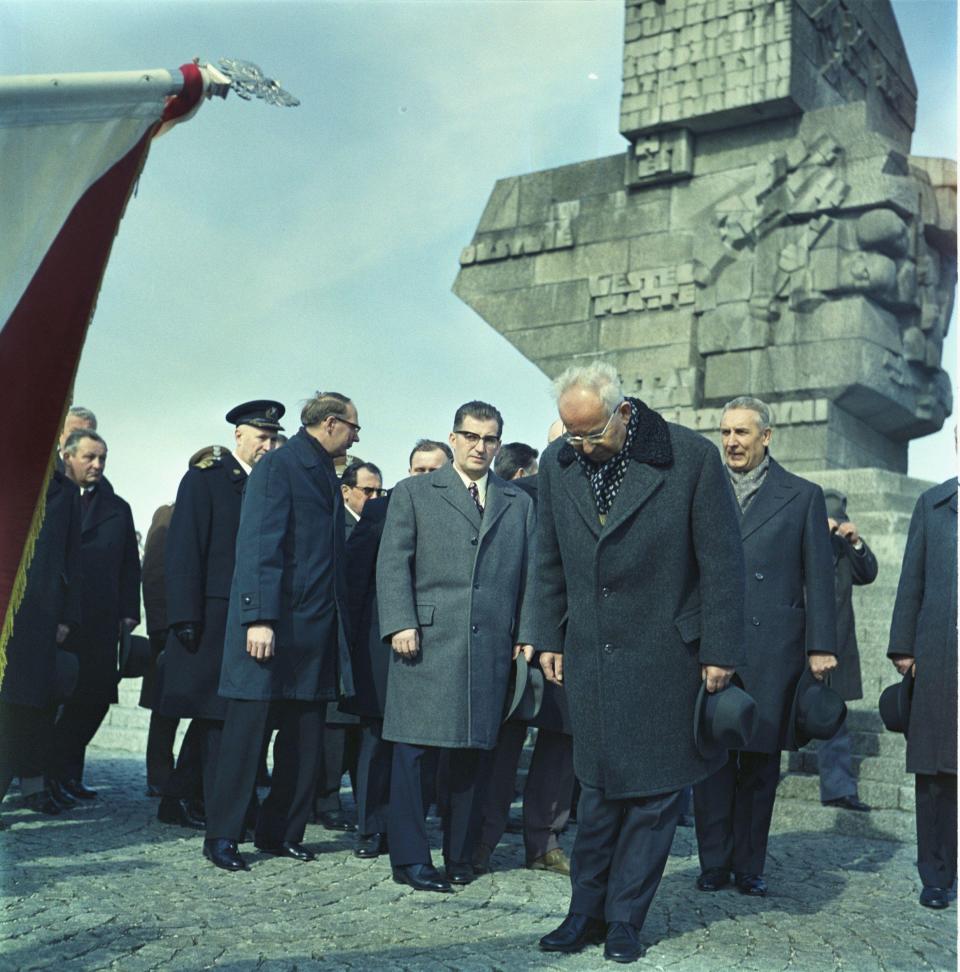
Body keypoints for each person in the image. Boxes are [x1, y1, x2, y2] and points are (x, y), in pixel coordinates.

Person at [534, 362, 745, 963]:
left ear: (624, 412)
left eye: (592, 433)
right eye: (571, 435)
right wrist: (546, 635)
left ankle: (625, 919)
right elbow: (546, 556)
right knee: (597, 793)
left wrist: (720, 652)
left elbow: (723, 565)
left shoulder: (692, 458)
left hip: (665, 657)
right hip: (590, 656)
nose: (581, 446)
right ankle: (583, 913)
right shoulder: (560, 463)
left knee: (653, 800)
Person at [377, 402, 536, 893]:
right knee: (413, 753)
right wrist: (400, 622)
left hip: (489, 646)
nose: (480, 446)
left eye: (489, 439)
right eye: (471, 436)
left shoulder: (518, 502)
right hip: (423, 642)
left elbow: (534, 575)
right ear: (454, 438)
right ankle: (410, 858)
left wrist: (527, 634)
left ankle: (461, 855)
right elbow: (392, 563)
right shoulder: (414, 493)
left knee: (473, 753)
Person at [202, 392, 357, 872]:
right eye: (354, 427)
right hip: (272, 629)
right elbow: (259, 546)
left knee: (303, 738)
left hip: (310, 632)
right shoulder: (280, 467)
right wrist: (258, 618)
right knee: (246, 737)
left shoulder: (319, 471)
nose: (354, 436)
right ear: (331, 424)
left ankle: (279, 832)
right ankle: (222, 836)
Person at [694, 397, 836, 898]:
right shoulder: (702, 488)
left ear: (766, 437)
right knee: (710, 760)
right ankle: (713, 862)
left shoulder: (802, 495)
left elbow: (820, 577)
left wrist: (821, 646)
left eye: (742, 433)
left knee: (758, 764)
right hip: (712, 644)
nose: (731, 442)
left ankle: (749, 864)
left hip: (773, 650)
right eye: (725, 432)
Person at [158, 402, 285, 831]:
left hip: (244, 619)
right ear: (239, 437)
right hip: (210, 618)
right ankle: (208, 804)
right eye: (260, 438)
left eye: (273, 439)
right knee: (214, 715)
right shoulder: (206, 480)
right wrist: (183, 616)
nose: (267, 446)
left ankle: (185, 797)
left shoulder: (268, 485)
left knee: (224, 715)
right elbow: (184, 551)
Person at [342, 440, 452, 859]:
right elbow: (355, 580)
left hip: (435, 647)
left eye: (432, 470)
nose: (423, 478)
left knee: (424, 743)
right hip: (381, 646)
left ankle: (409, 826)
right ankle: (370, 829)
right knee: (376, 741)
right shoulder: (380, 510)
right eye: (417, 470)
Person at [473, 439, 575, 877]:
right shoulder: (521, 493)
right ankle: (479, 842)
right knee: (500, 748)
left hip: (574, 644)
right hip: (518, 641)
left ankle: (544, 842)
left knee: (561, 746)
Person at [50, 430, 141, 800]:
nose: (97, 465)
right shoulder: (52, 500)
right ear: (67, 456)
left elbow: (129, 566)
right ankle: (44, 778)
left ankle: (69, 773)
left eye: (102, 458)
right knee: (55, 702)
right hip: (58, 622)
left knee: (96, 699)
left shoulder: (117, 508)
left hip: (101, 623)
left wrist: (129, 613)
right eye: (89, 457)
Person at [888, 475, 957, 910]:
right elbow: (911, 577)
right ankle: (935, 875)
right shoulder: (934, 505)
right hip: (940, 656)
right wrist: (904, 646)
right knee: (934, 773)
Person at [0, 463, 83, 820]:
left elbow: (72, 555)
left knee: (22, 709)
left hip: (41, 616)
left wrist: (66, 616)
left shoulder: (65, 491)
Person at [314, 460, 386, 832]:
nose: (374, 498)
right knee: (334, 728)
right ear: (346, 491)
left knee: (357, 728)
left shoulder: (374, 524)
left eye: (379, 492)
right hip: (336, 637)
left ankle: (356, 804)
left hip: (364, 640)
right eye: (367, 491)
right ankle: (325, 800)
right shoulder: (336, 524)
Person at [818, 489, 878, 812]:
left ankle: (839, 788)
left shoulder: (844, 549)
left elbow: (868, 573)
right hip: (797, 644)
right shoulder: (803, 539)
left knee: (834, 717)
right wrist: (817, 535)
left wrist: (855, 542)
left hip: (836, 646)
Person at [140, 502, 177, 797]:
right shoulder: (168, 513)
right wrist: (160, 631)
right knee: (164, 705)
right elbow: (152, 574)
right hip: (169, 630)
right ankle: (159, 772)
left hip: (196, 628)